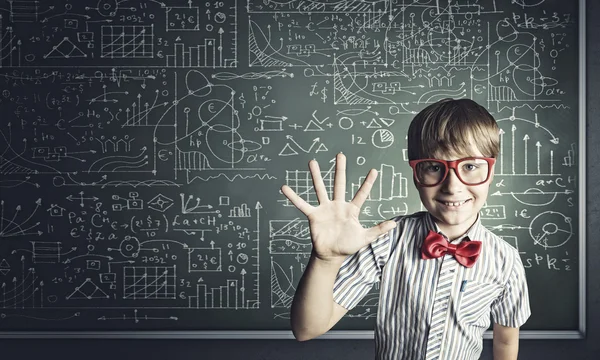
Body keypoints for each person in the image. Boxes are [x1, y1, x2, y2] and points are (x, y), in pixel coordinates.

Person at [280, 98, 531, 360]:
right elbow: (306, 329)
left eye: (470, 166)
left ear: (491, 170)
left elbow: (505, 341)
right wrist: (326, 259)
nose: (452, 186)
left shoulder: (506, 260)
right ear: (415, 172)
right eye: (434, 167)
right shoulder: (388, 239)